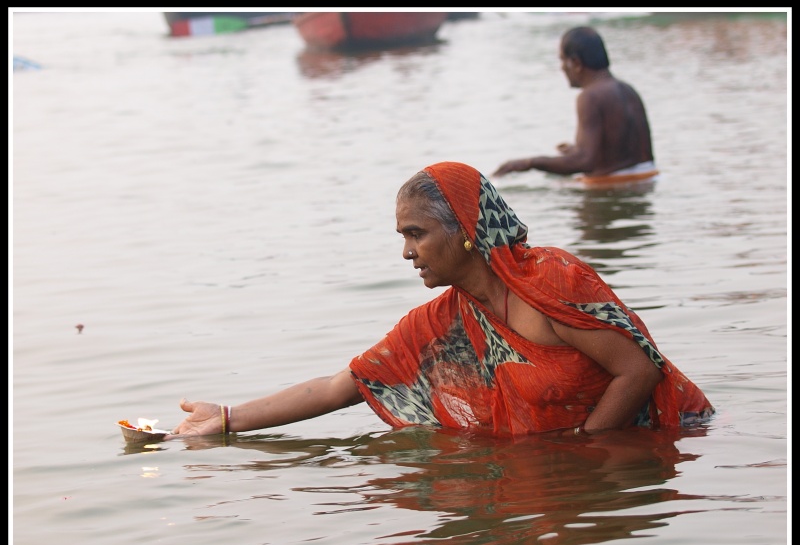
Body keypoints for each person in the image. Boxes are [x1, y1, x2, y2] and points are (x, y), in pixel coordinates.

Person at [170, 161, 712, 440]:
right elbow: (343, 387)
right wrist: (228, 418)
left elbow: (639, 372)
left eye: (417, 234)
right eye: (402, 237)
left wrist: (586, 450)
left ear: (468, 231)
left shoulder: (552, 280)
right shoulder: (441, 322)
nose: (407, 252)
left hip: (666, 441)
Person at [493, 26, 658, 186]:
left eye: (562, 60)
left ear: (576, 63)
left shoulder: (590, 96)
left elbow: (584, 162)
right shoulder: (628, 89)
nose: (561, 68)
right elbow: (624, 154)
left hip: (613, 186)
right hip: (649, 180)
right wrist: (575, 151)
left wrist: (529, 163)